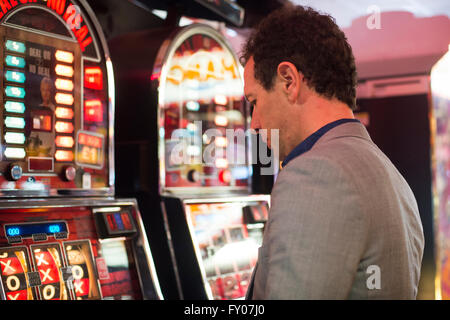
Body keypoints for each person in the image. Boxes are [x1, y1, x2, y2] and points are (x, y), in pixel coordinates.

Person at [242, 4, 424, 299]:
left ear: (289, 80)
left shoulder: (315, 174)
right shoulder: (387, 170)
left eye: (255, 101)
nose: (254, 123)